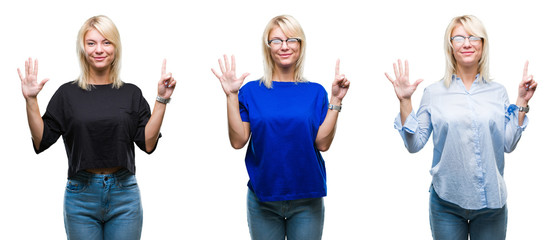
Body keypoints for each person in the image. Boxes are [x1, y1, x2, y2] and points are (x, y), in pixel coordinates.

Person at [18, 15, 176, 239]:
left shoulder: (131, 93)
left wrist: (161, 99)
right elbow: (41, 139)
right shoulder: (67, 94)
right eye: (91, 43)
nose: (99, 49)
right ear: (83, 48)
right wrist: (31, 100)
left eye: (106, 42)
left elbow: (148, 144)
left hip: (125, 195)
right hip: (80, 197)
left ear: (115, 47)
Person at [385, 15, 537, 240]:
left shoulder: (498, 92)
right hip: (446, 203)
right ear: (450, 46)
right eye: (459, 38)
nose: (467, 43)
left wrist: (522, 102)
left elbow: (508, 144)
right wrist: (405, 101)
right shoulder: (433, 93)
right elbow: (414, 144)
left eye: (474, 37)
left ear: (482, 45)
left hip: (491, 204)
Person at [211, 15, 350, 240]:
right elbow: (238, 141)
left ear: (300, 45)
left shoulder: (316, 92)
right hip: (262, 198)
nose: (284, 46)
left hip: (307, 198)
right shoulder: (250, 91)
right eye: (276, 40)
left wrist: (336, 99)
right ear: (268, 47)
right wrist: (231, 96)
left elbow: (322, 143)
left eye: (291, 39)